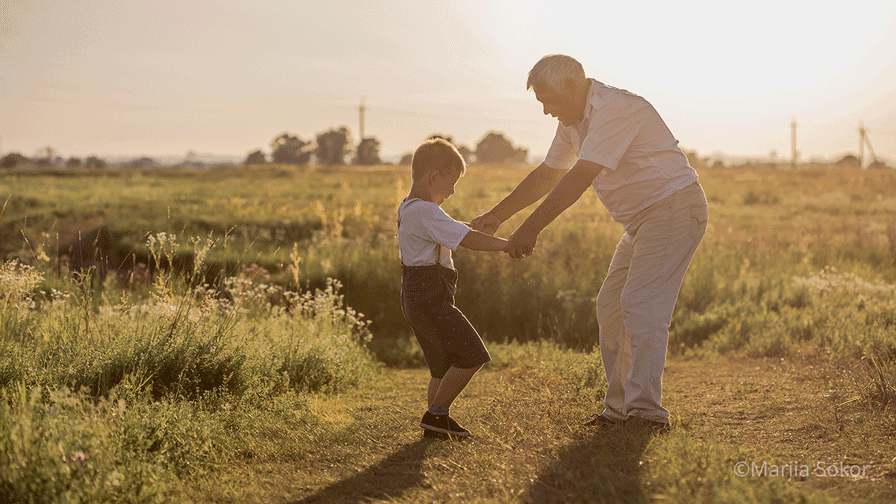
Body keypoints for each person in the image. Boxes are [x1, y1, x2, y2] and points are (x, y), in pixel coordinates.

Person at [471, 54, 708, 432]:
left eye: (548, 100)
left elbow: (579, 177)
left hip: (674, 208)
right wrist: (498, 216)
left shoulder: (616, 109)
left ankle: (646, 413)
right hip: (642, 221)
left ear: (571, 85)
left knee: (641, 305)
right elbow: (549, 173)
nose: (547, 111)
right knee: (611, 306)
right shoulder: (573, 119)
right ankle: (619, 411)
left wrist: (529, 230)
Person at [398, 138, 509, 439]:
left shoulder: (410, 208)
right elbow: (468, 241)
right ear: (434, 177)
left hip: (414, 295)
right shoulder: (427, 211)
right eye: (452, 183)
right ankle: (436, 415)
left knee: (441, 365)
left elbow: (446, 229)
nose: (453, 191)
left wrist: (468, 227)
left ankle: (435, 424)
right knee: (472, 355)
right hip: (431, 295)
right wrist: (508, 246)